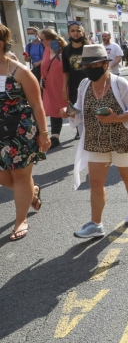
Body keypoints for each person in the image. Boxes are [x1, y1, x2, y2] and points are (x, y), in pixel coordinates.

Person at [59, 44, 128, 238]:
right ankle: (96, 224)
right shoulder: (84, 84)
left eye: (93, 65)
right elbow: (79, 109)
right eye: (86, 66)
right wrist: (69, 112)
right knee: (96, 182)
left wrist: (116, 118)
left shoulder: (119, 84)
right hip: (95, 140)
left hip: (121, 140)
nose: (89, 69)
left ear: (104, 64)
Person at [0, 24, 50, 240]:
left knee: (21, 176)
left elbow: (37, 104)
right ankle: (32, 192)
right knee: (4, 178)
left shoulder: (20, 71)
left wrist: (44, 133)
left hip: (20, 132)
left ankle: (21, 219)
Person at [40, 28, 68, 149]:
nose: (41, 41)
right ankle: (55, 137)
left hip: (62, 84)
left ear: (50, 39)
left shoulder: (62, 49)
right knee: (53, 109)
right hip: (49, 84)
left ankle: (80, 130)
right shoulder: (46, 49)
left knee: (69, 107)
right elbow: (45, 65)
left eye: (43, 39)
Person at [62, 21, 89, 140]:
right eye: (72, 31)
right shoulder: (66, 50)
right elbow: (66, 71)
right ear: (69, 33)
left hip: (90, 84)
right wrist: (64, 89)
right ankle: (79, 130)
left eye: (78, 30)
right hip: (74, 85)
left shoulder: (89, 47)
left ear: (82, 32)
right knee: (76, 109)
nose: (75, 33)